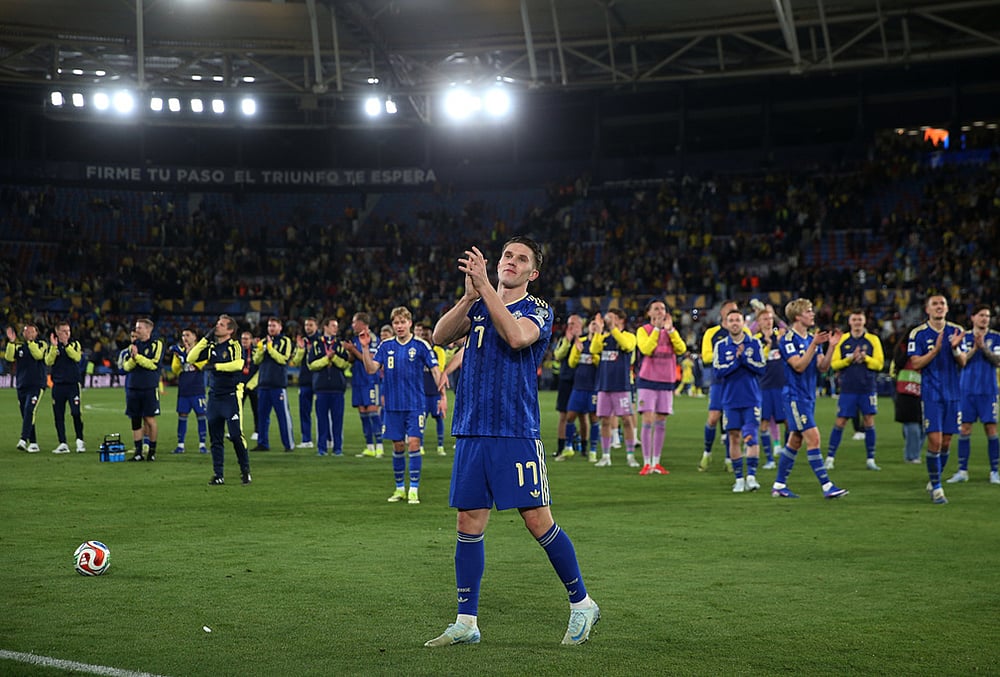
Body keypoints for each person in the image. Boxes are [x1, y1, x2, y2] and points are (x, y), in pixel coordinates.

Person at [427, 236, 599, 648]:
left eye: (521, 259)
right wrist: (470, 298)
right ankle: (466, 621)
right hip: (472, 428)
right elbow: (439, 335)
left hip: (515, 430)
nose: (511, 262)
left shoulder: (538, 309)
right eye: (507, 255)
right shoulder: (481, 303)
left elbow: (518, 338)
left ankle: (582, 603)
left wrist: (485, 289)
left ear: (532, 273)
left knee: (537, 519)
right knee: (468, 522)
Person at [351, 306, 443, 505]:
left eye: (402, 322)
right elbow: (371, 369)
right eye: (396, 323)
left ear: (409, 323)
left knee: (414, 444)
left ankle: (414, 490)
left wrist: (442, 396)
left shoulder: (420, 345)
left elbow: (435, 370)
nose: (399, 326)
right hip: (392, 406)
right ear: (393, 325)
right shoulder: (385, 346)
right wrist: (365, 348)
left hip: (415, 405)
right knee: (398, 445)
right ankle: (400, 488)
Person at [771, 298, 849, 499]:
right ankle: (826, 485)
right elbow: (798, 366)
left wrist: (831, 346)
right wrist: (813, 345)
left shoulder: (811, 339)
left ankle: (779, 485)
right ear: (798, 316)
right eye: (808, 311)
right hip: (794, 397)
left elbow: (822, 367)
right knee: (813, 438)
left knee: (795, 440)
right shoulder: (788, 340)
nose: (813, 314)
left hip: (808, 396)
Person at [907, 294, 965, 504]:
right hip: (931, 394)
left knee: (947, 442)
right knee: (935, 440)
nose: (939, 307)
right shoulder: (918, 333)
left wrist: (955, 348)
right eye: (935, 304)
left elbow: (964, 362)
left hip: (953, 394)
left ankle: (934, 480)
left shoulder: (957, 331)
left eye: (942, 304)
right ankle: (937, 488)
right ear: (927, 309)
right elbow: (916, 363)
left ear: (947, 308)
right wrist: (936, 350)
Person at [188, 315, 251, 485]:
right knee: (216, 439)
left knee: (236, 436)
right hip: (214, 397)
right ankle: (218, 475)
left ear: (230, 330)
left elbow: (239, 364)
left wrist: (217, 366)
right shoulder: (212, 346)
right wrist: (205, 339)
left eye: (221, 325)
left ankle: (245, 471)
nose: (217, 327)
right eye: (217, 324)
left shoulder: (235, 345)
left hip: (231, 396)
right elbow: (190, 358)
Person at [824, 310, 885, 471]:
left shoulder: (873, 340)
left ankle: (870, 459)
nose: (857, 322)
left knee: (869, 421)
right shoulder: (843, 340)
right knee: (840, 421)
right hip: (848, 388)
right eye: (854, 319)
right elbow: (834, 364)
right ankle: (830, 458)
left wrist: (866, 359)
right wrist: (849, 359)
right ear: (850, 322)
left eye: (860, 319)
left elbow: (879, 364)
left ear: (864, 321)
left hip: (867, 387)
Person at [713, 307, 766, 492]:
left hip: (751, 398)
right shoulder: (721, 346)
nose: (735, 323)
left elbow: (761, 368)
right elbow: (718, 372)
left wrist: (745, 360)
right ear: (726, 324)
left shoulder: (754, 343)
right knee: (733, 438)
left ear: (743, 322)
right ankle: (738, 479)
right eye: (731, 320)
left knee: (751, 437)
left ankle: (751, 476)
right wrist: (737, 361)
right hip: (730, 400)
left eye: (738, 320)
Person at [947, 304, 1000, 484]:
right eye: (981, 315)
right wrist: (975, 348)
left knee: (991, 429)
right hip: (966, 391)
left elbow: (998, 361)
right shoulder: (964, 337)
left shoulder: (996, 337)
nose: (985, 318)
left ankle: (994, 471)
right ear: (973, 318)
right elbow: (960, 360)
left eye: (987, 316)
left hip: (988, 390)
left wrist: (984, 348)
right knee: (964, 429)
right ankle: (962, 471)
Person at [635, 300, 687, 475]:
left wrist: (671, 331)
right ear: (648, 313)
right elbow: (646, 349)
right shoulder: (643, 331)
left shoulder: (671, 331)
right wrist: (657, 329)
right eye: (656, 309)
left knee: (661, 421)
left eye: (663, 308)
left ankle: (656, 462)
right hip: (647, 380)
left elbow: (681, 349)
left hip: (666, 380)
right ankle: (646, 463)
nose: (660, 311)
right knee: (648, 419)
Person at [591, 308, 638, 468]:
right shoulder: (605, 337)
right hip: (604, 387)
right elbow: (593, 350)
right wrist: (598, 331)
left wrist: (613, 329)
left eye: (612, 318)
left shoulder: (629, 336)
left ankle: (630, 456)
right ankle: (605, 456)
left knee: (626, 420)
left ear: (620, 320)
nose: (609, 320)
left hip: (622, 386)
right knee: (604, 421)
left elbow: (627, 346)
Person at [699, 300, 741, 472]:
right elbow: (706, 357)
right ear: (723, 312)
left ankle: (729, 459)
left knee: (731, 420)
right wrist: (728, 356)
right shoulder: (712, 333)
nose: (733, 311)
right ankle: (707, 453)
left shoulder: (743, 333)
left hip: (737, 382)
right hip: (719, 382)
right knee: (714, 417)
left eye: (735, 310)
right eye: (730, 309)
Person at [122, 318, 165, 461]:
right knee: (135, 420)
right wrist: (134, 358)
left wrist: (137, 357)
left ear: (148, 329)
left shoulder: (157, 345)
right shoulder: (133, 346)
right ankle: (138, 452)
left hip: (149, 387)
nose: (137, 330)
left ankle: (151, 451)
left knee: (150, 419)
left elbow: (154, 364)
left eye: (139, 328)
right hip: (133, 387)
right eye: (136, 327)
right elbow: (126, 367)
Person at [251, 316, 295, 452]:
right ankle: (262, 443)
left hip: (278, 385)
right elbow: (256, 360)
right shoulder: (263, 342)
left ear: (280, 327)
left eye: (274, 325)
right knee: (262, 417)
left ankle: (288, 445)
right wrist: (260, 350)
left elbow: (283, 359)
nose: (271, 328)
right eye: (269, 326)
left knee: (283, 416)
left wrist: (269, 348)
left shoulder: (285, 341)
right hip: (263, 384)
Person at [308, 317, 351, 456]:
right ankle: (322, 448)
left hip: (337, 388)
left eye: (336, 326)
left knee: (338, 421)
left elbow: (345, 364)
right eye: (333, 326)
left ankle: (338, 448)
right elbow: (311, 365)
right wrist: (326, 359)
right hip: (321, 388)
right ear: (325, 327)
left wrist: (334, 358)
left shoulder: (340, 344)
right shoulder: (316, 344)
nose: (336, 328)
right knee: (322, 420)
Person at [561, 315, 601, 462]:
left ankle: (593, 450)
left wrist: (594, 356)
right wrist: (577, 351)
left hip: (593, 388)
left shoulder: (600, 343)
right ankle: (569, 447)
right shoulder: (581, 342)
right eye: (592, 324)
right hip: (578, 386)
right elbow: (571, 363)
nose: (593, 327)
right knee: (570, 416)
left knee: (593, 418)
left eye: (596, 325)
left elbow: (600, 364)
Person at [45, 320, 86, 454]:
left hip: (73, 385)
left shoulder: (74, 344)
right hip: (58, 386)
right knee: (58, 415)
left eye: (68, 331)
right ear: (57, 332)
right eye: (64, 331)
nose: (67, 333)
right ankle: (63, 443)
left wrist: (66, 344)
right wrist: (54, 347)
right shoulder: (53, 346)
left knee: (75, 412)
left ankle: (80, 441)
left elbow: (76, 357)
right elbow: (48, 361)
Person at [5, 322, 47, 453]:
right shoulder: (19, 347)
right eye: (26, 332)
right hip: (22, 384)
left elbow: (38, 355)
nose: (29, 334)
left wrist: (30, 343)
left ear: (36, 333)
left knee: (29, 410)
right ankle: (33, 443)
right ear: (23, 334)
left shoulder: (42, 344)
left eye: (31, 331)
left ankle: (23, 439)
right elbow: (9, 357)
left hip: (36, 384)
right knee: (26, 413)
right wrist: (11, 342)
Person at [348, 312, 385, 458]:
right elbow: (354, 359)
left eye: (354, 322)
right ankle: (369, 447)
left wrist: (353, 350)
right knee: (363, 413)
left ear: (362, 323)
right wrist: (350, 352)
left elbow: (371, 358)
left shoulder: (373, 339)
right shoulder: (356, 339)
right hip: (357, 381)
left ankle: (380, 446)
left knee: (373, 412)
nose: (352, 325)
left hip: (370, 380)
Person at [754, 306, 785, 469]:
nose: (768, 321)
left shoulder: (780, 338)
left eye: (770, 319)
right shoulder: (755, 341)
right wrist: (765, 346)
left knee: (787, 421)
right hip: (763, 386)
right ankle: (769, 460)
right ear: (758, 323)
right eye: (764, 319)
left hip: (781, 385)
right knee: (764, 423)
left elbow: (787, 328)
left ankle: (786, 454)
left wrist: (777, 316)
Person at [170, 327, 208, 454]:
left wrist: (182, 355)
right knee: (182, 416)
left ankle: (202, 444)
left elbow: (200, 365)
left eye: (187, 335)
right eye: (183, 335)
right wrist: (178, 357)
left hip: (197, 389)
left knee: (201, 416)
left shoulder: (201, 351)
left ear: (194, 337)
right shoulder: (179, 351)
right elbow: (175, 370)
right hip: (184, 390)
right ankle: (180, 445)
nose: (184, 338)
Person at [416, 323, 449, 456]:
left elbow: (439, 370)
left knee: (439, 419)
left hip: (435, 392)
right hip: (421, 392)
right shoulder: (418, 350)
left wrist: (442, 394)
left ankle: (440, 446)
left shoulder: (438, 351)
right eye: (423, 335)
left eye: (427, 335)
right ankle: (421, 446)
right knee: (421, 420)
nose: (425, 337)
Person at [891, 330, 924, 464]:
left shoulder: (925, 348)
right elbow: (898, 363)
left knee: (921, 426)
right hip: (905, 389)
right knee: (912, 424)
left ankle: (912, 452)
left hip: (922, 388)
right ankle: (912, 456)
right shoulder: (902, 349)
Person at [553, 314, 582, 459]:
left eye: (574, 324)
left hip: (583, 380)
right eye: (569, 324)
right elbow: (557, 355)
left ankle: (584, 447)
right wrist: (568, 342)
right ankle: (561, 447)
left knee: (584, 415)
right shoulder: (564, 340)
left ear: (581, 326)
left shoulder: (587, 339)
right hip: (566, 379)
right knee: (563, 415)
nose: (571, 327)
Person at [291, 317, 320, 449]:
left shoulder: (322, 340)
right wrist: (301, 349)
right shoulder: (302, 341)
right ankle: (306, 439)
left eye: (310, 325)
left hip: (319, 381)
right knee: (304, 411)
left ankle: (326, 439)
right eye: (306, 325)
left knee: (322, 412)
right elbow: (295, 362)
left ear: (316, 326)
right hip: (305, 381)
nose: (308, 327)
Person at [238, 330, 260, 442]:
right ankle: (237, 430)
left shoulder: (256, 352)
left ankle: (257, 431)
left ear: (251, 340)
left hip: (253, 386)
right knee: (237, 409)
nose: (244, 341)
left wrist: (253, 383)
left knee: (256, 410)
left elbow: (260, 368)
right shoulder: (237, 352)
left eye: (246, 339)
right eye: (242, 338)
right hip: (240, 385)